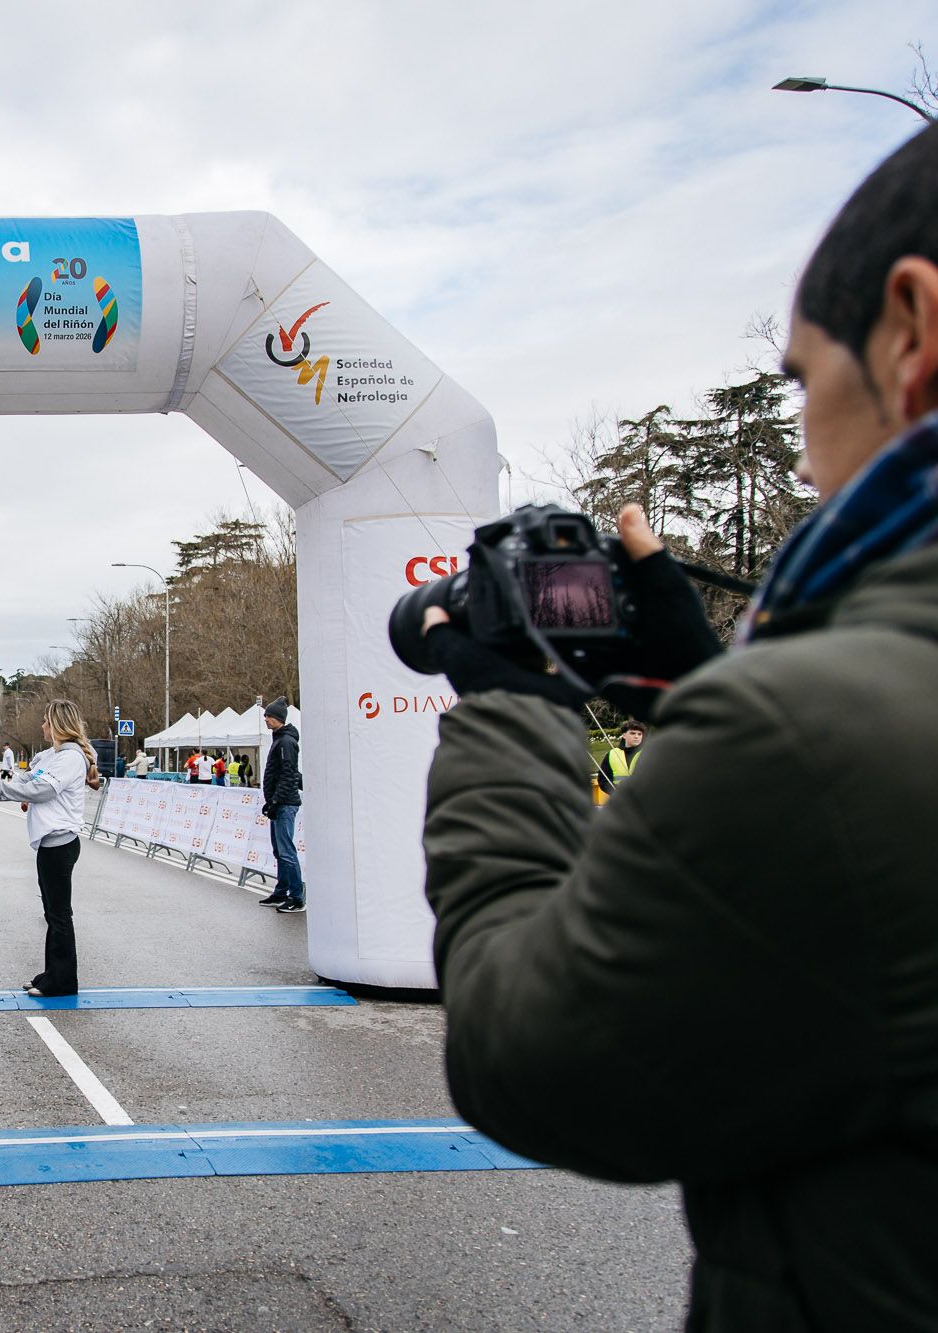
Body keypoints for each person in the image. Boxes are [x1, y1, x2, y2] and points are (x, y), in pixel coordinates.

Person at [413, 125, 938, 1329]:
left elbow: (535, 1063)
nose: (808, 464)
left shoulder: (815, 744)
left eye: (805, 385)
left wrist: (511, 710)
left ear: (909, 331)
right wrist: (711, 678)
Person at [0, 699, 102, 997]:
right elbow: (27, 780)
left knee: (59, 915)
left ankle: (62, 982)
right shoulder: (54, 756)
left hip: (60, 843)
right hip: (49, 843)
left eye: (46, 720)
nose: (42, 725)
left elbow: (41, 790)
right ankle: (52, 974)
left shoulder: (70, 758)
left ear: (58, 724)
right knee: (51, 913)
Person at [257, 697, 303, 911]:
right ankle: (281, 891)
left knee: (286, 851)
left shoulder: (286, 742)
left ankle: (297, 897)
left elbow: (288, 774)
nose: (265, 719)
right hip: (279, 803)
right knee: (279, 850)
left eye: (269, 716)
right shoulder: (280, 739)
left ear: (278, 718)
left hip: (284, 803)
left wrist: (275, 800)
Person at [595, 721, 644, 795]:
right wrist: (617, 793)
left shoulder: (648, 752)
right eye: (632, 733)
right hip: (620, 800)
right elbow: (603, 780)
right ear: (624, 735)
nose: (636, 736)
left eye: (639, 734)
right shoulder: (612, 754)